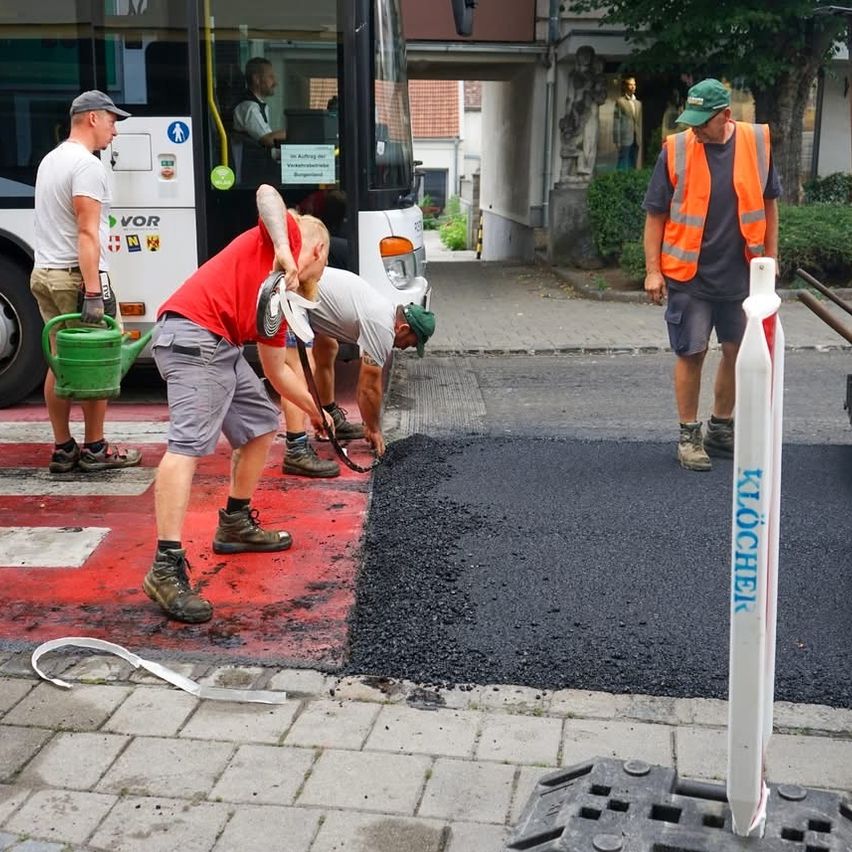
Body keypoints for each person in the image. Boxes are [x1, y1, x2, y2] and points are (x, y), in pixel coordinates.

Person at [142, 184, 332, 623]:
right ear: (318, 248)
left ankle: (235, 521)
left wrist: (318, 412)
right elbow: (267, 193)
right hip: (193, 334)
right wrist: (286, 251)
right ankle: (165, 567)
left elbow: (279, 372)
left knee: (263, 423)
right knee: (187, 445)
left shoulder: (281, 299)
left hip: (220, 344)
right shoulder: (284, 234)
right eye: (321, 264)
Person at [642, 78, 780, 472]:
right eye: (692, 121)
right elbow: (656, 214)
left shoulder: (756, 144)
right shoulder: (677, 149)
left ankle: (720, 428)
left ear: (726, 116)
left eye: (704, 122)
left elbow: (770, 207)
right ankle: (688, 435)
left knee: (739, 353)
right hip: (690, 275)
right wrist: (653, 271)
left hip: (742, 274)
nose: (696, 130)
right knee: (692, 352)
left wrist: (770, 260)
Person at [29, 90, 142, 474]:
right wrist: (94, 291)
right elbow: (87, 233)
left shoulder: (51, 160)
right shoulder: (87, 166)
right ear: (92, 118)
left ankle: (63, 448)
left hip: (45, 272)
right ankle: (95, 448)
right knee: (99, 360)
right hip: (77, 279)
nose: (115, 130)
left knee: (59, 361)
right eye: (112, 120)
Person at [280, 267, 436, 477]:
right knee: (299, 366)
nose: (404, 348)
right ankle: (296, 449)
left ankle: (331, 417)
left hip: (310, 293)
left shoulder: (384, 311)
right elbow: (368, 388)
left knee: (328, 347)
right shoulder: (382, 327)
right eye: (410, 343)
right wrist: (373, 429)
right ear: (404, 329)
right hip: (291, 292)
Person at [232, 57, 286, 183]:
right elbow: (267, 140)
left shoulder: (259, 105)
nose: (275, 82)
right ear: (257, 79)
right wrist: (297, 130)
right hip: (250, 175)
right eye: (271, 77)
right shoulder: (249, 107)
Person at [612, 77, 642, 170]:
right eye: (630, 84)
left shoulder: (638, 103)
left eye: (634, 84)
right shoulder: (620, 102)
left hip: (636, 136)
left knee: (634, 160)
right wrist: (617, 139)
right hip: (625, 136)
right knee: (623, 160)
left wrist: (640, 136)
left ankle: (632, 179)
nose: (633, 87)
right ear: (625, 86)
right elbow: (616, 121)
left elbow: (639, 121)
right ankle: (620, 179)